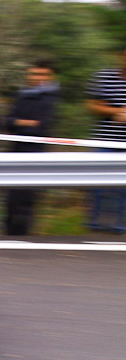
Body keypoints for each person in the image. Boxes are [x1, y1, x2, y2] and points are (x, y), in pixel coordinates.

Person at [4, 60, 61, 235]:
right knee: (11, 199)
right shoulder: (22, 95)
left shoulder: (50, 98)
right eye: (34, 74)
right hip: (16, 153)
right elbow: (7, 122)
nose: (37, 78)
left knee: (27, 200)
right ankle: (8, 236)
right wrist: (27, 123)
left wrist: (19, 123)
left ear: (50, 76)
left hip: (36, 154)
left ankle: (22, 236)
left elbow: (42, 126)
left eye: (42, 74)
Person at [85, 43, 126, 233]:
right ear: (120, 56)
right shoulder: (104, 77)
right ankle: (95, 225)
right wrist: (115, 111)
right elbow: (92, 105)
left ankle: (119, 227)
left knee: (123, 188)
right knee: (98, 184)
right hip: (104, 141)